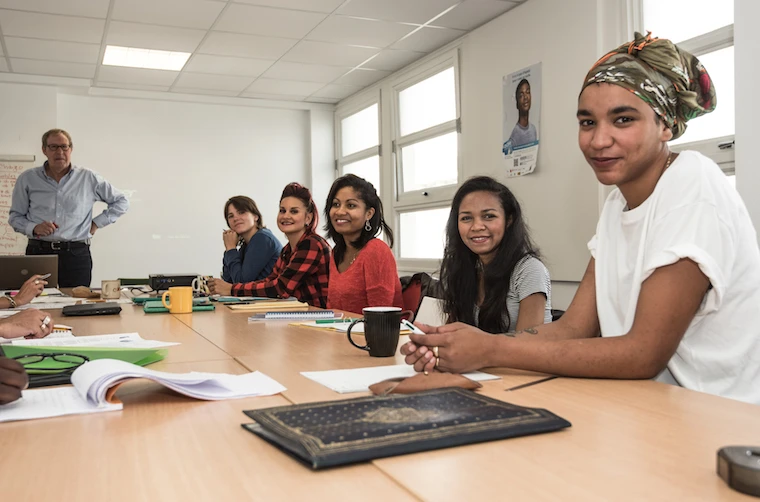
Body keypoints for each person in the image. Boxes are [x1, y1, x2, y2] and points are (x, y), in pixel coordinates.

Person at [402, 32, 760, 405]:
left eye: (623, 119)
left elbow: (643, 353)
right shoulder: (617, 205)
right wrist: (466, 345)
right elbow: (574, 328)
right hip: (654, 407)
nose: (598, 140)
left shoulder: (692, 186)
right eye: (587, 122)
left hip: (721, 417)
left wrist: (491, 350)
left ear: (666, 124)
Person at [8, 129, 130, 287]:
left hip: (76, 253)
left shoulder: (88, 178)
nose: (59, 152)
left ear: (71, 149)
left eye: (64, 147)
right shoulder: (28, 178)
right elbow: (15, 217)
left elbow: (121, 201)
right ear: (44, 150)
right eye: (53, 147)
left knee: (76, 300)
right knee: (36, 298)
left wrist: (96, 223)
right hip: (39, 251)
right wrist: (34, 228)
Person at [439, 176, 551, 334]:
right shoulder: (463, 268)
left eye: (488, 216)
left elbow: (527, 343)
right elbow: (452, 333)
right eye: (466, 218)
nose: (477, 226)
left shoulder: (529, 270)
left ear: (509, 220)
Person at [208, 183, 330, 308]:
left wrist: (231, 288)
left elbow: (280, 288)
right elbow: (269, 280)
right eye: (282, 211)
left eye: (294, 211)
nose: (286, 216)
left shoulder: (311, 244)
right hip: (300, 314)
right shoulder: (287, 250)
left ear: (308, 218)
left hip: (321, 315)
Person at [324, 174, 402, 314]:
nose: (340, 211)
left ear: (369, 214)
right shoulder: (337, 252)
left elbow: (379, 316)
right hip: (340, 328)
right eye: (336, 204)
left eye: (351, 205)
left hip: (375, 328)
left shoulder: (376, 251)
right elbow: (332, 310)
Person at [220, 196, 282, 284]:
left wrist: (230, 249)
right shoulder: (245, 246)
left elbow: (241, 283)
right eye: (231, 216)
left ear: (255, 216)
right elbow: (228, 282)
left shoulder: (262, 238)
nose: (235, 218)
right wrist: (228, 250)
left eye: (241, 212)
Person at [506, 79, 538, 149]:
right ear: (517, 104)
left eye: (528, 92)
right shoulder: (514, 136)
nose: (525, 97)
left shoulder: (533, 129)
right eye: (521, 95)